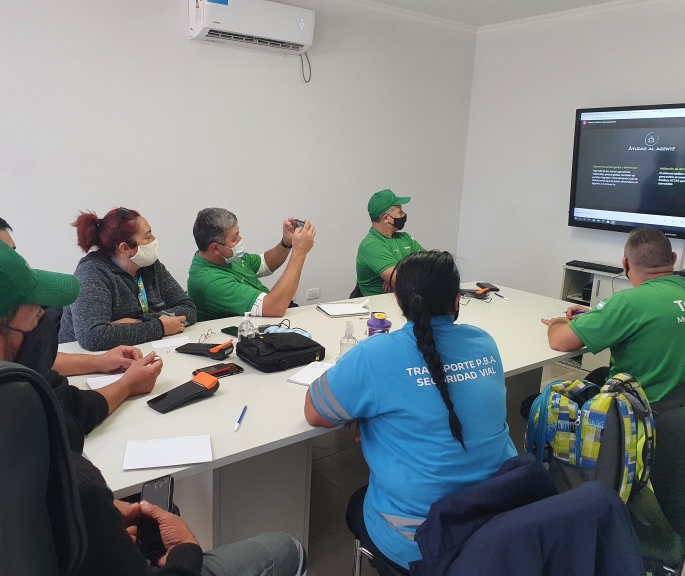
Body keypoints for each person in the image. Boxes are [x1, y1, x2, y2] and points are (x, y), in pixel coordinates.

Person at [0, 237, 306, 576]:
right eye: (37, 317)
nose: (47, 326)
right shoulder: (61, 474)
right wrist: (186, 552)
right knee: (285, 548)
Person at [304, 250, 517, 570]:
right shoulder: (483, 342)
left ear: (398, 301)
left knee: (355, 502)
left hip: (419, 542)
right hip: (499, 525)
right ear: (456, 301)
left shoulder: (375, 354)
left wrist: (366, 414)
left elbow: (315, 412)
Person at [0, 211, 158, 448]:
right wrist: (127, 385)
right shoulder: (10, 422)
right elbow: (69, 414)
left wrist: (100, 362)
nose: (19, 264)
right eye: (5, 256)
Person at [541, 227, 685, 409]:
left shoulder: (627, 302)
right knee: (598, 374)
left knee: (532, 403)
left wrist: (557, 322)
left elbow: (559, 341)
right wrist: (599, 316)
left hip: (634, 411)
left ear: (624, 263)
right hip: (676, 406)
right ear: (673, 258)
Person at [59, 208, 197, 351]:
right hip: (84, 359)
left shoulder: (151, 266)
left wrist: (140, 321)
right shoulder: (91, 274)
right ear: (125, 248)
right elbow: (93, 337)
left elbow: (188, 309)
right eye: (148, 237)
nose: (154, 240)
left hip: (141, 350)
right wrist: (161, 326)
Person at [187, 208, 315, 321]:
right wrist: (299, 253)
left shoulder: (225, 257)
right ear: (215, 248)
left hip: (272, 315)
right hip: (260, 323)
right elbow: (274, 307)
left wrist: (286, 242)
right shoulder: (210, 281)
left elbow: (264, 263)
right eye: (234, 238)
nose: (240, 240)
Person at [356, 189, 424, 296]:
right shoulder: (371, 246)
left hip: (403, 301)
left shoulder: (405, 237)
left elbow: (431, 265)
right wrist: (400, 277)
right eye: (400, 212)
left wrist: (399, 271)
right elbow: (404, 283)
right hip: (380, 305)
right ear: (386, 218)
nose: (404, 215)